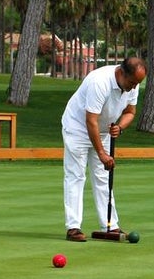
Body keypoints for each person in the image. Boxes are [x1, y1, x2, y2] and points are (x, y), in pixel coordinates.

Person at [60, 57, 148, 242]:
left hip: (102, 130)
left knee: (103, 176)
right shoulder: (99, 82)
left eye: (137, 84)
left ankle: (110, 225)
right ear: (121, 73)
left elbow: (130, 112)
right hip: (78, 128)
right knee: (76, 175)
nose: (134, 87)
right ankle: (73, 227)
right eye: (132, 82)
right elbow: (90, 120)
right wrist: (101, 153)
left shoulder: (133, 84)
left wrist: (120, 127)